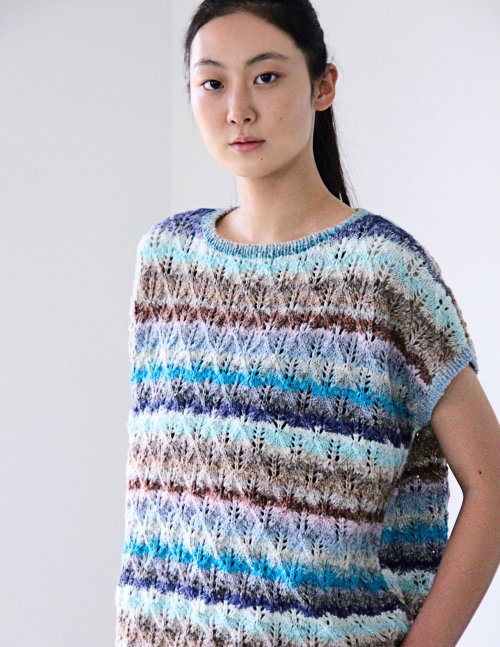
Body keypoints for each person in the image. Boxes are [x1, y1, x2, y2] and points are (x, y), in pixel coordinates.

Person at [114, 2, 500, 646]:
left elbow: (493, 486)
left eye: (266, 77)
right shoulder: (165, 258)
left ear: (323, 86)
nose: (238, 108)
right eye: (212, 82)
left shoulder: (384, 270)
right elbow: (168, 498)